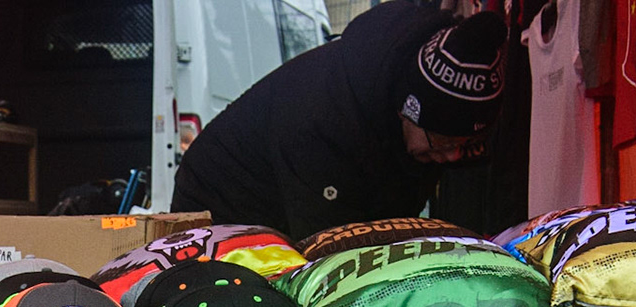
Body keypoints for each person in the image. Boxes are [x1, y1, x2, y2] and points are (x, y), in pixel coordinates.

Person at [171, 3, 510, 242]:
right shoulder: (323, 118)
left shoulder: (405, 114)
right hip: (220, 202)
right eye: (443, 143)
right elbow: (327, 247)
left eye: (462, 146)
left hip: (298, 193)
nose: (451, 157)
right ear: (409, 109)